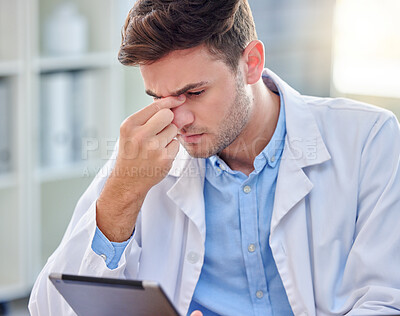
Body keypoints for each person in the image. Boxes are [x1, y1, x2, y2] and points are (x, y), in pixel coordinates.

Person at [29, 0, 400, 315]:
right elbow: (50, 307)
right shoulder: (142, 158)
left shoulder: (368, 138)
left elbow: (386, 301)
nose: (177, 119)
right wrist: (122, 195)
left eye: (193, 92)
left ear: (251, 63)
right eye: (158, 98)